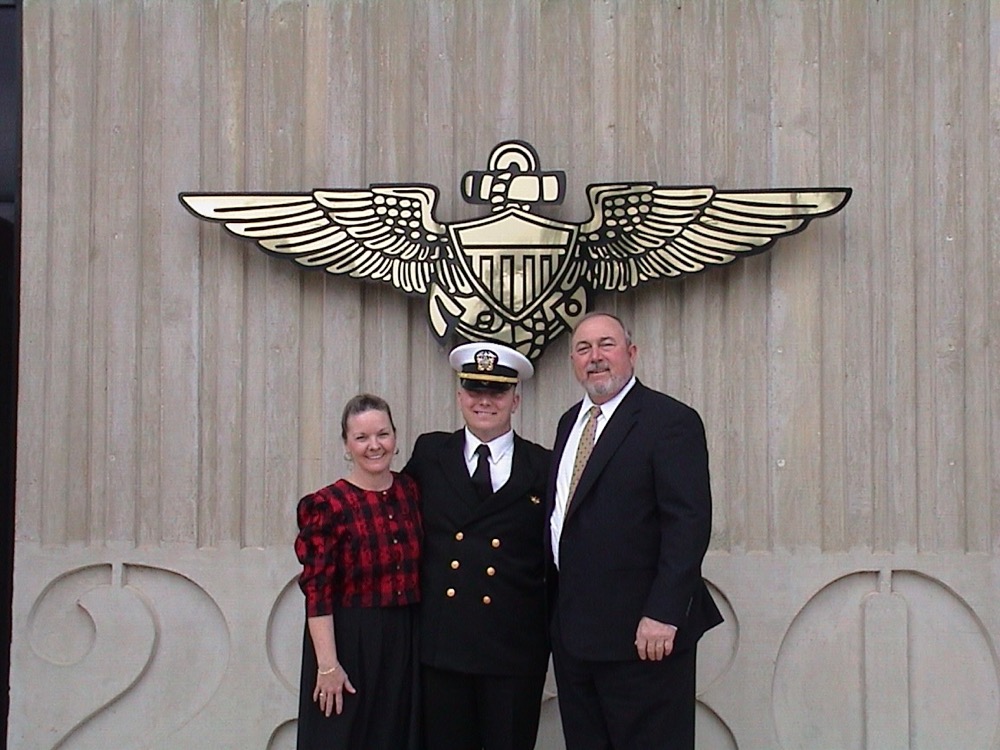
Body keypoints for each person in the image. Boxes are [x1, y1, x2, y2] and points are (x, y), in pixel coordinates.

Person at [547, 312, 723, 750]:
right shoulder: (569, 423)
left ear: (632, 352)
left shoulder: (669, 421)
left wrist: (664, 612)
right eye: (583, 349)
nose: (595, 357)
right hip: (576, 637)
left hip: (644, 637)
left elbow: (688, 523)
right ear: (573, 361)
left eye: (606, 344)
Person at [404, 342, 551, 750]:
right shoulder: (430, 454)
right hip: (444, 646)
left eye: (498, 391)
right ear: (459, 396)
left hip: (513, 649)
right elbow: (393, 513)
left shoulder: (544, 466)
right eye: (474, 390)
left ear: (515, 400)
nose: (484, 400)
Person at [294, 393, 422, 750]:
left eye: (382, 434)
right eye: (361, 437)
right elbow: (317, 592)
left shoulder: (411, 491)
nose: (374, 445)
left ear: (395, 437)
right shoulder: (326, 505)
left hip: (405, 640)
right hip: (348, 640)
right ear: (347, 444)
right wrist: (328, 666)